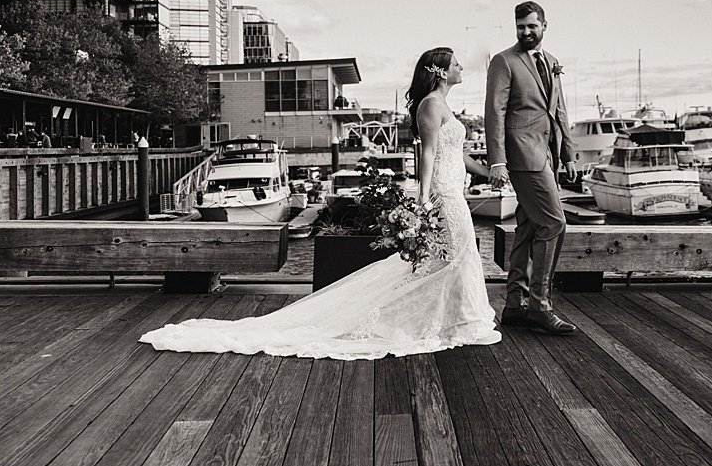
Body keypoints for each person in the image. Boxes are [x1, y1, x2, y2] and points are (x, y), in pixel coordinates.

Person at [139, 47, 500, 359]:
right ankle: (452, 321)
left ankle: (457, 319)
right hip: (445, 193)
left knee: (453, 257)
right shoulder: (430, 106)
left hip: (455, 188)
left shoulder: (445, 106)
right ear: (440, 71)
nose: (462, 69)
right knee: (457, 254)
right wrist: (423, 198)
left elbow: (458, 154)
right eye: (457, 64)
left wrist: (487, 171)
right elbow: (430, 154)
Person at [485, 0, 577, 335]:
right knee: (554, 223)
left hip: (548, 155)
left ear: (544, 26)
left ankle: (514, 304)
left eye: (531, 26)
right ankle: (540, 306)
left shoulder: (551, 62)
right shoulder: (504, 62)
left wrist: (568, 154)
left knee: (527, 226)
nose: (525, 32)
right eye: (520, 27)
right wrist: (497, 160)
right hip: (523, 154)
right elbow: (494, 112)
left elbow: (560, 111)